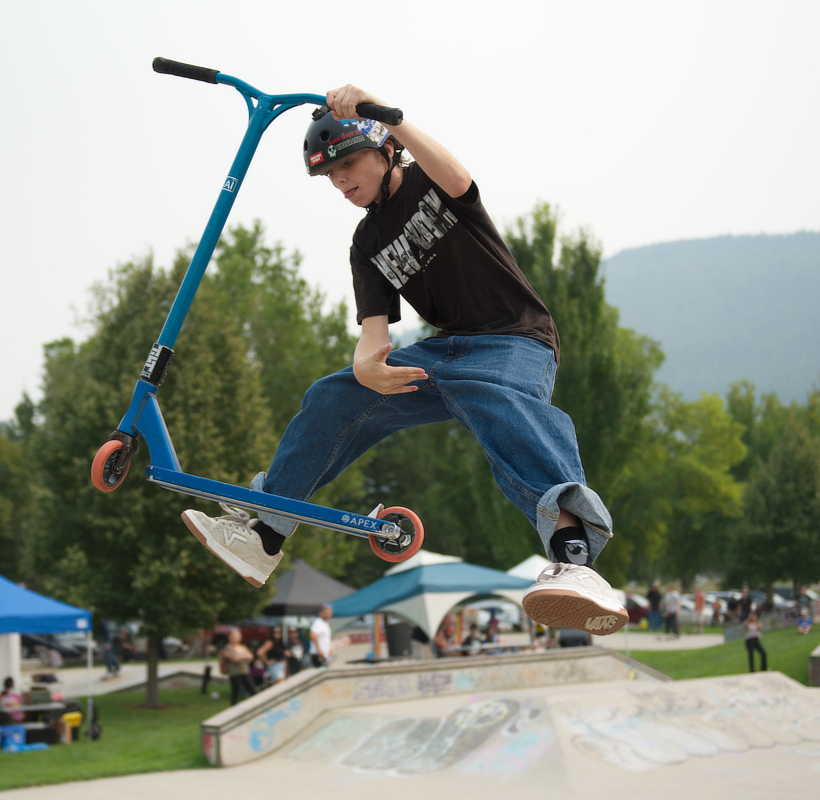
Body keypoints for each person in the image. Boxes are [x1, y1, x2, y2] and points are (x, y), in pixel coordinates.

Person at [180, 84, 628, 637]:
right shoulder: (365, 242)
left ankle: (575, 558)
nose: (341, 181)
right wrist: (365, 367)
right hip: (446, 352)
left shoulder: (429, 182)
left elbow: (458, 177)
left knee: (494, 397)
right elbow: (373, 334)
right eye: (330, 174)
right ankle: (266, 536)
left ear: (386, 150)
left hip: (516, 341)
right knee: (332, 394)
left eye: (348, 164)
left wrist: (386, 115)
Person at [220, 628, 257, 706]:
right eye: (234, 637)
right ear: (230, 638)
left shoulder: (243, 647)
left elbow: (251, 656)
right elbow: (235, 659)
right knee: (235, 691)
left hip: (245, 671)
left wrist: (242, 658)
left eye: (237, 637)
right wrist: (244, 657)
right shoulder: (227, 648)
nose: (236, 639)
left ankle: (254, 704)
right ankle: (233, 706)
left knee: (252, 689)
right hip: (235, 673)